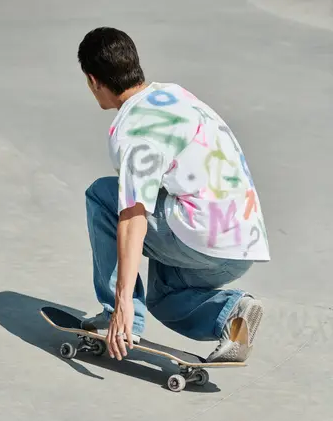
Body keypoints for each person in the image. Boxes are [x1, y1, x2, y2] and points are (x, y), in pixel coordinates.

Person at [77, 27, 270, 362]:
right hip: (244, 243)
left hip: (203, 239)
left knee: (103, 195)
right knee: (164, 299)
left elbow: (132, 216)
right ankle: (232, 312)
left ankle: (119, 319)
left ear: (94, 81)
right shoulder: (174, 95)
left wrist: (122, 299)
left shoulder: (133, 129)